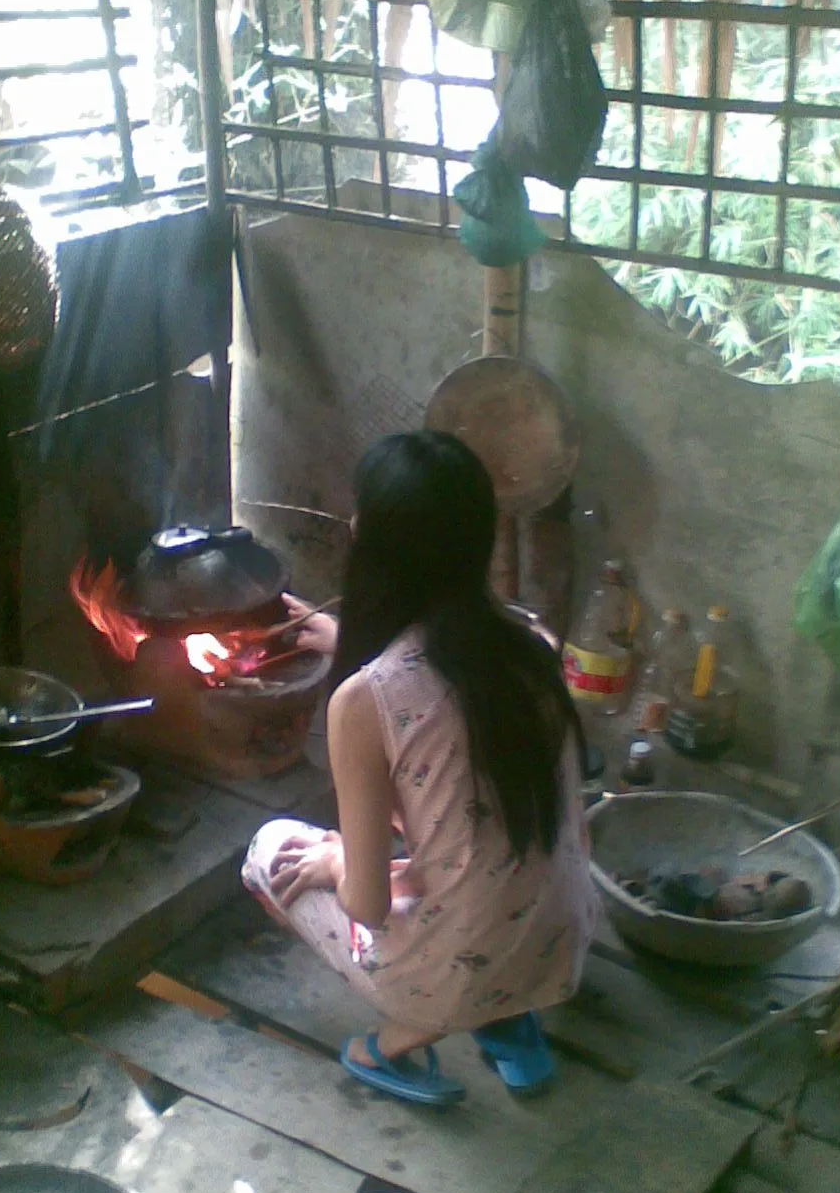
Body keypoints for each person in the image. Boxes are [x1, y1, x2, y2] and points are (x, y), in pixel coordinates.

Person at [241, 430, 599, 1108]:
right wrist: (350, 642)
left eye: (360, 515)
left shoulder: (364, 701)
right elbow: (448, 689)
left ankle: (395, 1039)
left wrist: (337, 861)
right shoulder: (535, 645)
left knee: (275, 849)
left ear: (374, 543)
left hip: (450, 972)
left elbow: (366, 905)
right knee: (452, 833)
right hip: (560, 942)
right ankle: (510, 1020)